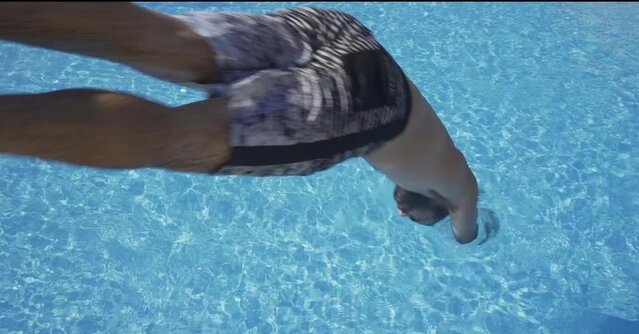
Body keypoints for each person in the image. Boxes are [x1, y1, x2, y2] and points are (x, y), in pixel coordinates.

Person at [0, 3, 495, 244]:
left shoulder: (437, 160)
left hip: (345, 34)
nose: (403, 212)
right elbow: (466, 228)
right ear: (427, 205)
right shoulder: (461, 187)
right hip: (369, 102)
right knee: (173, 139)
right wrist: (474, 235)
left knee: (163, 37)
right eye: (411, 212)